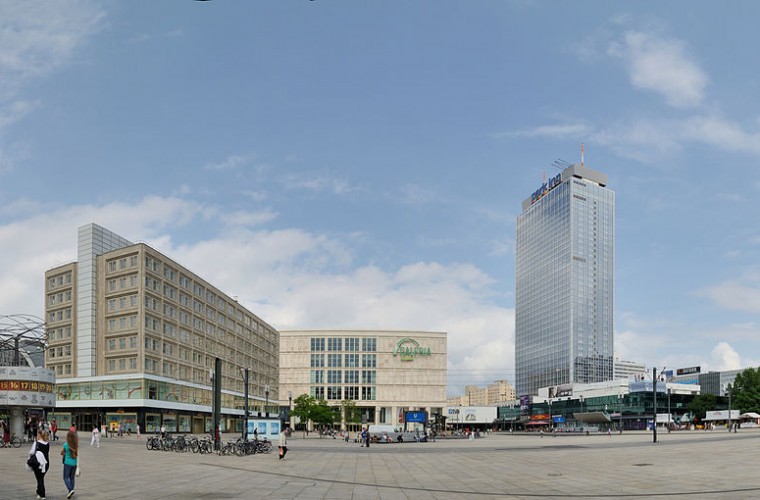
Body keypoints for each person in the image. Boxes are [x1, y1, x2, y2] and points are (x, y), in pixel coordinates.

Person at [28, 429, 50, 500]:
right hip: (46, 463)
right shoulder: (47, 444)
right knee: (41, 477)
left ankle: (42, 494)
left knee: (39, 478)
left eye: (37, 434)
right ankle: (38, 491)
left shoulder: (36, 443)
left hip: (38, 463)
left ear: (39, 435)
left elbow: (31, 452)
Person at [61, 430, 79, 499]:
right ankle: (70, 491)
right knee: (72, 478)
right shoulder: (75, 445)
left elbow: (61, 453)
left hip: (67, 463)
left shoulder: (65, 445)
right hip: (74, 463)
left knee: (65, 477)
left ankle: (70, 489)